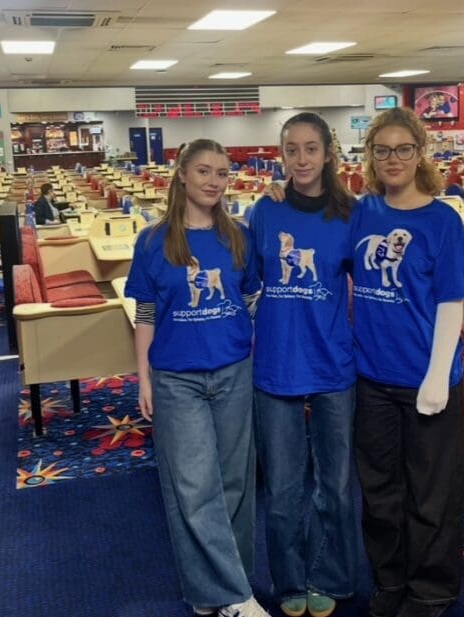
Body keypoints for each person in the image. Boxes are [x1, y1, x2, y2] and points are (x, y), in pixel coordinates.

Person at [124, 139, 268, 617]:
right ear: (182, 174)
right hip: (175, 378)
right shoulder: (153, 240)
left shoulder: (239, 236)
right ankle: (238, 596)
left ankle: (213, 593)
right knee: (192, 487)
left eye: (222, 173)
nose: (213, 181)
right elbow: (145, 313)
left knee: (233, 483)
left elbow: (250, 299)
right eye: (204, 171)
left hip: (232, 370)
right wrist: (143, 379)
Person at [349, 107, 464, 617]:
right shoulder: (361, 211)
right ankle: (391, 579)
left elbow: (451, 301)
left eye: (403, 149)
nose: (392, 159)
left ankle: (431, 589)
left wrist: (438, 374)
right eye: (382, 150)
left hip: (428, 378)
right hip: (371, 377)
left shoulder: (442, 220)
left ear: (420, 154)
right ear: (370, 157)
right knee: (379, 491)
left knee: (431, 493)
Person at [248, 112, 359, 617]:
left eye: (310, 148)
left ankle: (331, 574)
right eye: (291, 149)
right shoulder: (264, 212)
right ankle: (290, 579)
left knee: (335, 483)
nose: (301, 159)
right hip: (277, 361)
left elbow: (373, 286)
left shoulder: (350, 213)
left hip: (333, 360)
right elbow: (246, 279)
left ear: (328, 153)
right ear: (281, 154)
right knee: (285, 487)